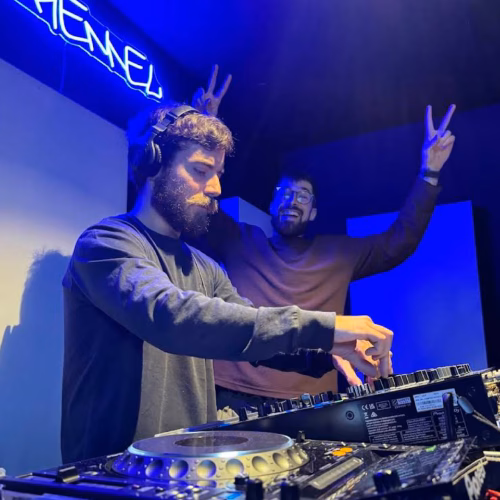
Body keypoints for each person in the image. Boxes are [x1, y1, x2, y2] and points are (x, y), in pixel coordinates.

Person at [61, 102, 393, 463]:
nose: (216, 187)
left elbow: (251, 335)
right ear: (153, 165)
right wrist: (322, 327)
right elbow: (172, 316)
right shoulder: (106, 244)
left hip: (189, 469)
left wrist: (329, 349)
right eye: (201, 170)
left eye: (218, 173)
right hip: (111, 473)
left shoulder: (206, 268)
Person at [190, 65, 456, 411]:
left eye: (303, 196)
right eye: (284, 193)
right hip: (228, 394)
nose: (292, 201)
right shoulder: (238, 239)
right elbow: (199, 202)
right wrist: (204, 131)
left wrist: (429, 172)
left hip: (310, 401)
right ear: (271, 204)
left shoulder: (338, 253)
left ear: (313, 212)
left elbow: (400, 241)